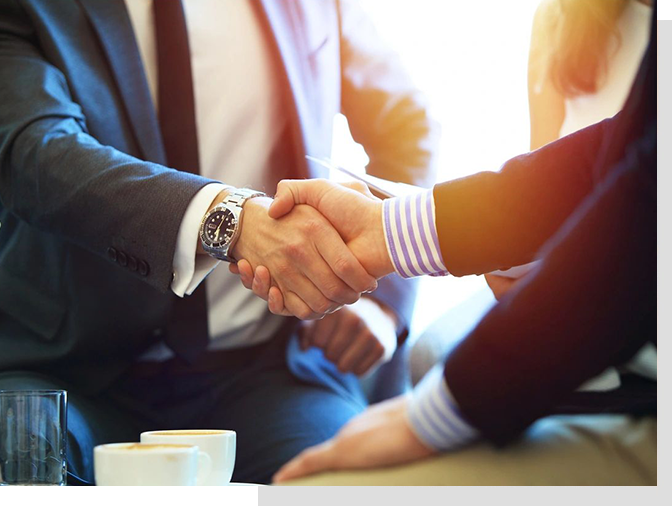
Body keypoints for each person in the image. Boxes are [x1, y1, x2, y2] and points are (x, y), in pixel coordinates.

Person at [0, 0, 437, 483]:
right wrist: (229, 220)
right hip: (72, 373)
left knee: (338, 484)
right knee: (20, 464)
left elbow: (406, 123)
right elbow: (33, 150)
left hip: (268, 369)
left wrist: (383, 295)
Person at [233, 6, 656, 483]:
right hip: (610, 349)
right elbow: (611, 157)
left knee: (330, 484)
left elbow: (640, 209)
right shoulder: (566, 22)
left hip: (630, 364)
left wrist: (438, 412)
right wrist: (386, 229)